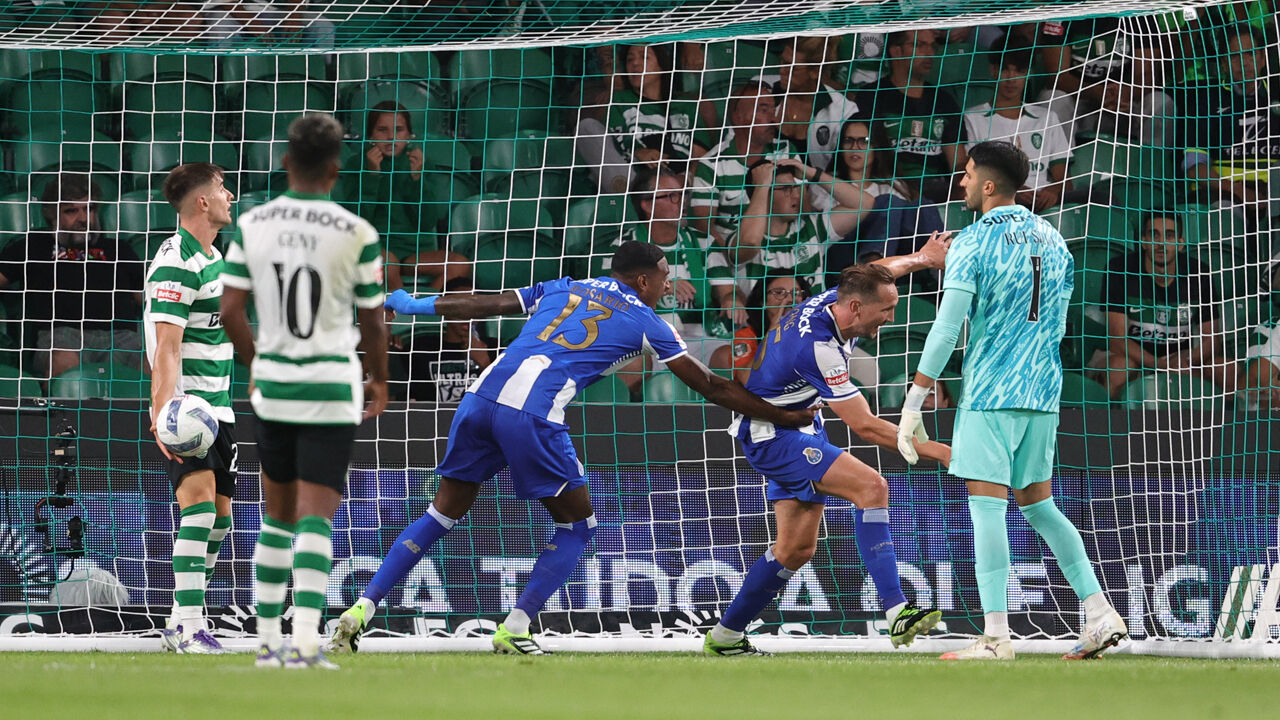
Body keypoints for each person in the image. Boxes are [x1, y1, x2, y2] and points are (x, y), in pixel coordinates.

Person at [326, 241, 818, 656]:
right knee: (578, 526)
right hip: (532, 414)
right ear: (643, 281)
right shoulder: (650, 322)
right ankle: (516, 628)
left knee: (442, 514)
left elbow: (489, 304)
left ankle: (360, 610)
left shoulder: (564, 286)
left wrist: (411, 305)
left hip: (479, 400)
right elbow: (712, 388)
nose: (669, 284)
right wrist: (782, 415)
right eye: (665, 276)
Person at [896, 140, 1127, 660]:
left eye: (968, 174)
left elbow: (947, 325)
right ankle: (1099, 613)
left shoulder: (972, 242)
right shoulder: (1055, 238)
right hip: (1043, 391)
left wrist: (915, 398)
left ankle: (997, 637)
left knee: (987, 509)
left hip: (991, 391)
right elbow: (1059, 324)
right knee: (1039, 505)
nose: (961, 182)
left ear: (989, 184)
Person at [704, 257, 952, 657]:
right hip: (774, 436)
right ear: (856, 307)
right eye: (886, 310)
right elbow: (866, 427)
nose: (890, 317)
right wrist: (940, 452)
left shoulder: (837, 299)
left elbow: (873, 269)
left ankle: (726, 637)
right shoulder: (819, 348)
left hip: (800, 425)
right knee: (872, 486)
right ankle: (896, 610)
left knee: (795, 550)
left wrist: (923, 258)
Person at [220, 113, 390, 669]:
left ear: (288, 162)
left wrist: (258, 363)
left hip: (276, 385)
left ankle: (267, 640)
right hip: (330, 386)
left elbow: (229, 311)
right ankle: (309, 642)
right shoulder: (356, 232)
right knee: (317, 516)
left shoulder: (251, 223)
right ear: (337, 169)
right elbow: (374, 321)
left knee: (276, 516)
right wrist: (379, 378)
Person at [145, 162, 238, 655]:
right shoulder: (176, 261)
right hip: (187, 412)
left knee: (221, 518)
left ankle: (183, 618)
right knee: (199, 507)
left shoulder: (212, 254)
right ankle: (187, 624)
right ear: (201, 202)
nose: (230, 195)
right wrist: (165, 415)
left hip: (219, 409)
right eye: (222, 188)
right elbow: (166, 347)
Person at [0, 174, 144, 379]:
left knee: (153, 364)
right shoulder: (34, 245)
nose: (84, 219)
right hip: (63, 335)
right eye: (71, 211)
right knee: (64, 359)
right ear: (53, 216)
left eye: (89, 209)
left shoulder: (119, 249)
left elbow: (147, 299)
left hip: (120, 337)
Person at [591, 167, 733, 374]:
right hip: (642, 338)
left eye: (683, 194)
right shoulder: (620, 247)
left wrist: (732, 299)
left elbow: (729, 290)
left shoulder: (704, 242)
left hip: (697, 336)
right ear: (647, 204)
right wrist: (661, 289)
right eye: (672, 196)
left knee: (732, 358)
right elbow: (607, 300)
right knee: (632, 367)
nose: (682, 202)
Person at [708, 158, 877, 302]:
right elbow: (751, 242)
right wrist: (761, 186)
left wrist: (811, 173)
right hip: (766, 334)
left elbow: (864, 204)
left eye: (795, 187)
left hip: (811, 329)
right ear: (764, 193)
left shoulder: (811, 227)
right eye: (785, 189)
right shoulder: (739, 236)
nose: (796, 195)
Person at [1098, 212, 1226, 398]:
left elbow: (1212, 341)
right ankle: (1106, 425)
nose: (1161, 243)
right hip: (1133, 358)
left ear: (1180, 243)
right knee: (1120, 369)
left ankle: (1220, 426)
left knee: (1226, 369)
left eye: (1169, 235)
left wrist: (1187, 360)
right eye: (1154, 235)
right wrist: (1160, 364)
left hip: (1180, 360)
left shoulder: (1199, 272)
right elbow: (1117, 340)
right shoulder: (1119, 269)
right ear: (1143, 241)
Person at [346, 101, 469, 293]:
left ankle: (423, 317)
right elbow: (356, 221)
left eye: (399, 129)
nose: (391, 137)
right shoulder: (356, 164)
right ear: (371, 135)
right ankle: (401, 318)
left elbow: (426, 221)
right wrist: (371, 176)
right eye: (382, 130)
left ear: (409, 135)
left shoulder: (419, 164)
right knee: (388, 264)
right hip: (376, 249)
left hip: (414, 251)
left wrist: (417, 178)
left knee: (459, 264)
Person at [855, 29, 968, 204]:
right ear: (896, 51)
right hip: (884, 186)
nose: (929, 53)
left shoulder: (944, 101)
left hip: (933, 190)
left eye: (932, 46)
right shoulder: (871, 97)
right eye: (919, 45)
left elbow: (958, 163)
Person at [963, 43, 1072, 212]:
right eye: (1005, 70)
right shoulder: (972, 118)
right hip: (998, 201)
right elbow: (971, 174)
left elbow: (1064, 179)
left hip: (1044, 202)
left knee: (1098, 198)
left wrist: (1053, 190)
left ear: (1029, 74)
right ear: (993, 70)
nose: (1011, 78)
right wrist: (1009, 190)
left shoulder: (1047, 117)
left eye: (1019, 71)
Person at [689, 82, 796, 246]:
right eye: (764, 110)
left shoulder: (786, 151)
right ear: (738, 117)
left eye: (774, 110)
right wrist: (733, 260)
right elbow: (705, 230)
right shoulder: (711, 164)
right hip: (736, 256)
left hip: (784, 249)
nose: (774, 118)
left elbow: (803, 209)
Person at [397, 278, 495, 402]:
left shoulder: (495, 348)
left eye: (473, 307)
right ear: (444, 309)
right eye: (459, 306)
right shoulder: (421, 350)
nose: (467, 314)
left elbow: (509, 395)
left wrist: (485, 362)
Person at [731, 273, 813, 385]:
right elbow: (746, 380)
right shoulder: (746, 335)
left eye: (796, 293)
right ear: (763, 301)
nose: (790, 299)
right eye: (779, 293)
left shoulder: (812, 332)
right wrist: (772, 335)